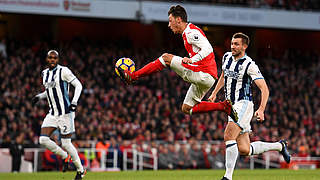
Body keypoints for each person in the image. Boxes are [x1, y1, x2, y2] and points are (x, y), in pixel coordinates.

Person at [116, 5, 237, 120]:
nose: (169, 25)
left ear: (178, 20)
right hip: (208, 77)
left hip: (203, 72)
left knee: (166, 58)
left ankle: (133, 76)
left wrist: (192, 60)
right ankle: (223, 106)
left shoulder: (190, 33)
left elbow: (208, 49)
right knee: (187, 108)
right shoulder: (189, 31)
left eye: (170, 20)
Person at [208, 33, 291, 180]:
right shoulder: (226, 57)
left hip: (243, 104)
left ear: (244, 46)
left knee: (228, 135)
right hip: (230, 106)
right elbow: (223, 76)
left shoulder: (249, 64)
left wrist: (261, 109)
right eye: (232, 43)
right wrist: (214, 93)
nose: (233, 47)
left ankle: (227, 177)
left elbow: (264, 88)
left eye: (237, 44)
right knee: (245, 149)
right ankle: (280, 146)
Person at [32, 50, 86, 180]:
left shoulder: (64, 71)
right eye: (50, 58)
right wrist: (39, 97)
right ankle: (64, 156)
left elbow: (78, 85)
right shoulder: (44, 73)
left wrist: (74, 102)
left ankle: (81, 170)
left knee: (66, 144)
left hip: (65, 114)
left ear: (58, 59)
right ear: (47, 59)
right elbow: (49, 91)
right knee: (43, 139)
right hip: (52, 113)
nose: (52, 60)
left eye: (55, 58)